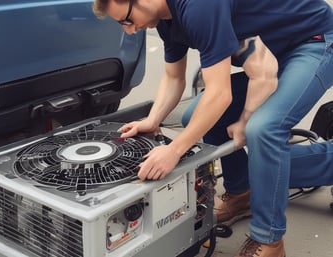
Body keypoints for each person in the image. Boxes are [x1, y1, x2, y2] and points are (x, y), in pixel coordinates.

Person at [92, 0, 333, 256]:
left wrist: (174, 151)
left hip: (313, 42)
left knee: (262, 129)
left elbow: (220, 95)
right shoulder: (165, 19)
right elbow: (174, 78)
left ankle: (269, 240)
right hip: (271, 57)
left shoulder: (198, 6)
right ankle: (242, 191)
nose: (129, 30)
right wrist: (152, 120)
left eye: (126, 21)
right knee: (193, 117)